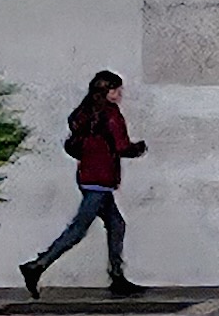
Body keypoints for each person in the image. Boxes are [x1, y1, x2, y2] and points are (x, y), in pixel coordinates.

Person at [14, 65, 141, 301]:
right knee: (78, 230)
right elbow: (122, 146)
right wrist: (138, 149)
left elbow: (73, 142)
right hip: (102, 178)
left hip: (88, 176)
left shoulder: (84, 112)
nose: (120, 94)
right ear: (107, 92)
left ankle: (117, 276)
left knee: (116, 224)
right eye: (116, 90)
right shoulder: (111, 114)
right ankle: (37, 266)